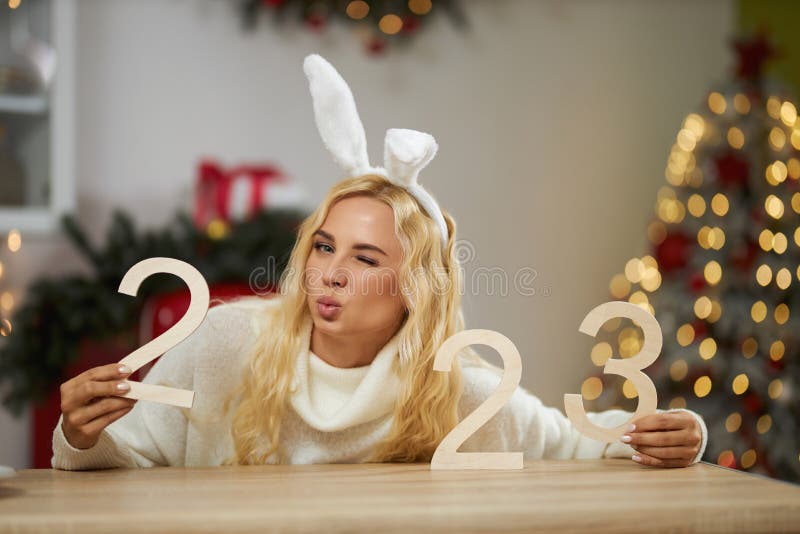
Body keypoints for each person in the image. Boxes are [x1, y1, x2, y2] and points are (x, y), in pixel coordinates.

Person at [52, 55, 707, 471]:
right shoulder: (227, 344)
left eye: (364, 257)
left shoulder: (459, 390)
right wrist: (83, 436)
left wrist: (670, 434)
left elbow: (578, 445)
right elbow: (123, 457)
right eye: (323, 245)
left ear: (415, 291)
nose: (329, 273)